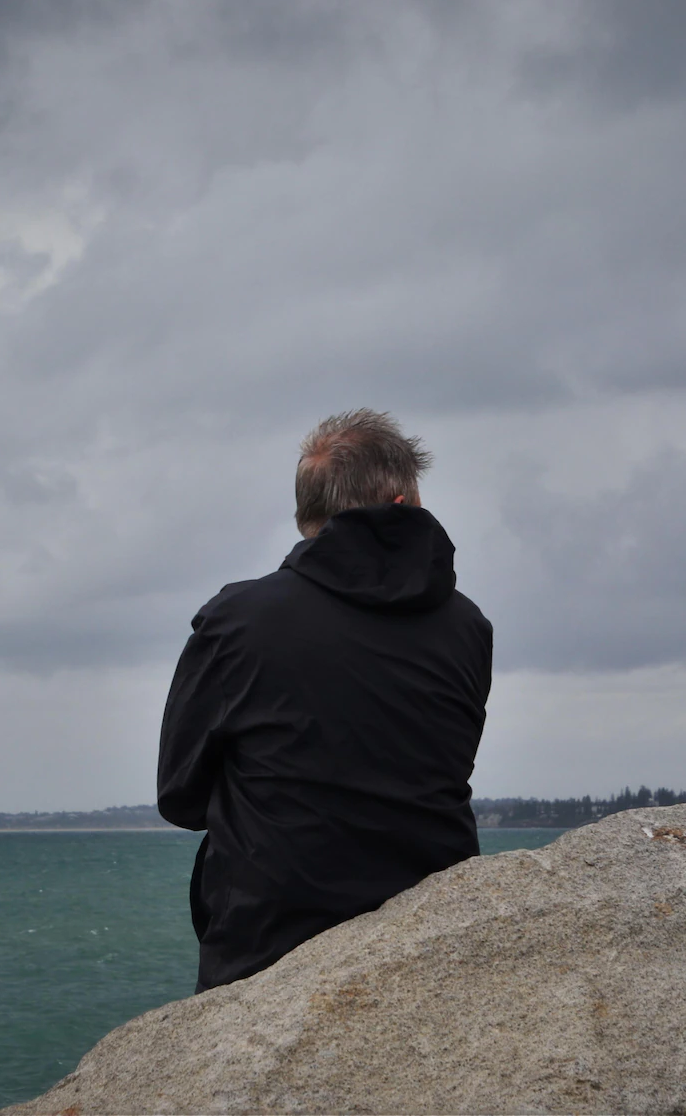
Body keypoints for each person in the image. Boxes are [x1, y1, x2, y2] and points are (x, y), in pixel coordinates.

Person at [157, 408, 493, 992]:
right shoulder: (469, 627)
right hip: (434, 930)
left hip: (269, 944)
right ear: (404, 501)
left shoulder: (237, 622)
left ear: (305, 514)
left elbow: (180, 797)